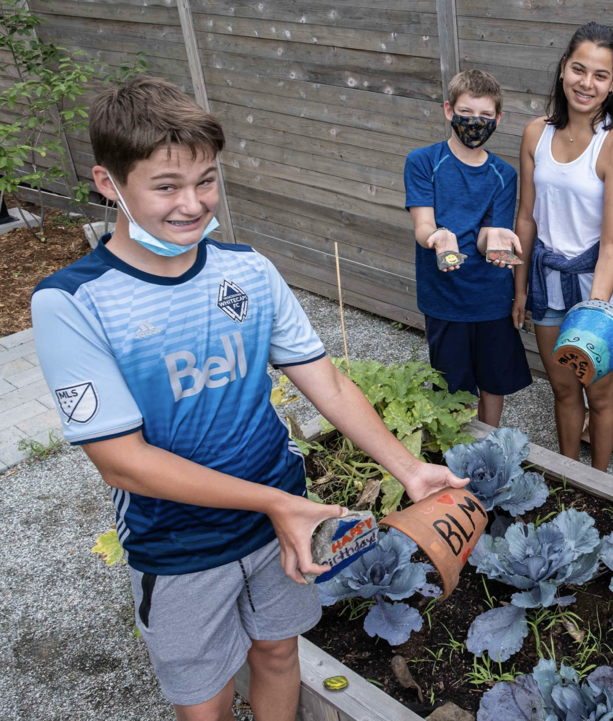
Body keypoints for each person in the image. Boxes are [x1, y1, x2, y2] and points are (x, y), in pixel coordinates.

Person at [30, 76, 468, 719]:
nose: (193, 203)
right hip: (176, 544)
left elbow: (330, 383)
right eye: (166, 186)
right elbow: (121, 461)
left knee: (278, 655)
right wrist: (279, 505)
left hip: (278, 523)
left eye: (205, 180)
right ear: (108, 184)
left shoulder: (249, 271)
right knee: (203, 699)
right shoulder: (71, 302)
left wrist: (408, 468)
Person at [515, 22, 613, 472]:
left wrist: (593, 317)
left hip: (600, 292)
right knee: (563, 389)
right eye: (578, 69)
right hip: (549, 286)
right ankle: (569, 475)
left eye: (600, 75)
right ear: (562, 70)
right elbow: (526, 218)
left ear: (612, 85)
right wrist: (519, 291)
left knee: (601, 394)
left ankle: (599, 481)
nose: (586, 83)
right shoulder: (536, 134)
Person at [404, 69, 531, 427]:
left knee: (494, 382)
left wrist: (493, 239)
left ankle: (489, 446)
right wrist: (439, 237)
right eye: (466, 113)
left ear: (498, 118)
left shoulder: (504, 174)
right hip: (444, 297)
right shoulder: (423, 162)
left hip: (490, 297)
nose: (476, 123)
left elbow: (486, 234)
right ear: (448, 110)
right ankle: (456, 455)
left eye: (486, 116)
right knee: (452, 388)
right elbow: (423, 225)